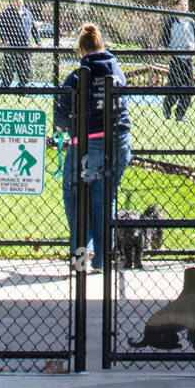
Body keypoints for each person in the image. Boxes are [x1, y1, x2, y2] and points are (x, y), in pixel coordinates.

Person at [54, 23, 132, 271]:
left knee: (74, 195)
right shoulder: (118, 72)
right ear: (102, 47)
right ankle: (102, 258)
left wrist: (63, 126)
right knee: (103, 198)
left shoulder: (77, 76)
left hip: (88, 146)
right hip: (119, 143)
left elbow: (60, 118)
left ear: (81, 51)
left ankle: (80, 256)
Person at [162, 0, 195, 121]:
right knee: (174, 85)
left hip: (188, 58)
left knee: (189, 87)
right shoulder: (170, 21)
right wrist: (168, 54)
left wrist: (194, 53)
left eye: (186, 5)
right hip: (175, 58)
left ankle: (180, 113)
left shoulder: (192, 22)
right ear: (175, 6)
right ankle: (167, 108)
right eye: (181, 5)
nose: (184, 7)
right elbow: (165, 40)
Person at [0, 0, 39, 89]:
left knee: (24, 68)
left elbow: (34, 28)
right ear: (12, 2)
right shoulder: (7, 14)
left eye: (19, 0)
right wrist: (5, 41)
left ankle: (23, 87)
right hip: (11, 46)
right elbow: (1, 27)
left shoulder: (27, 13)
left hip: (25, 46)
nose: (17, 2)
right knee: (9, 69)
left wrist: (37, 42)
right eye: (15, 0)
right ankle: (5, 87)